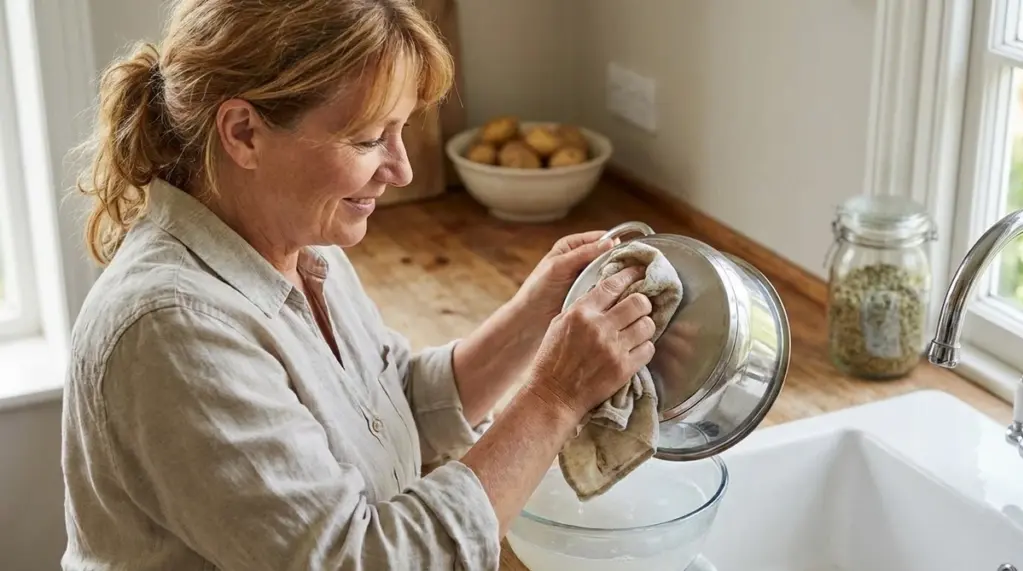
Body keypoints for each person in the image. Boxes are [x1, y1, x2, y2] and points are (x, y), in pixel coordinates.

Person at [60, 1, 657, 570]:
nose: (402, 170)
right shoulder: (174, 329)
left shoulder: (303, 244)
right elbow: (360, 561)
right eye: (370, 139)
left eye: (400, 131)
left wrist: (533, 315)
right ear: (243, 133)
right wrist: (554, 397)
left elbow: (393, 407)